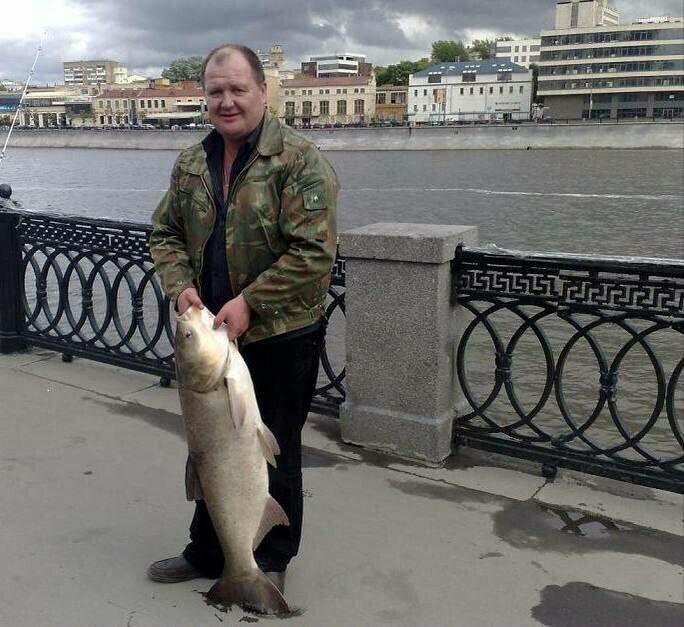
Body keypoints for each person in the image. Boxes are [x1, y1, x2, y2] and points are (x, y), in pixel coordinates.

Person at [147, 43, 339, 593]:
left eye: (237, 89)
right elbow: (164, 234)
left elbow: (314, 254)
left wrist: (250, 302)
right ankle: (210, 550)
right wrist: (180, 286)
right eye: (215, 91)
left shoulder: (300, 161)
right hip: (208, 338)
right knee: (209, 447)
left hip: (279, 333)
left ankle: (271, 558)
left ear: (261, 91)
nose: (226, 101)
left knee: (272, 446)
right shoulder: (190, 162)